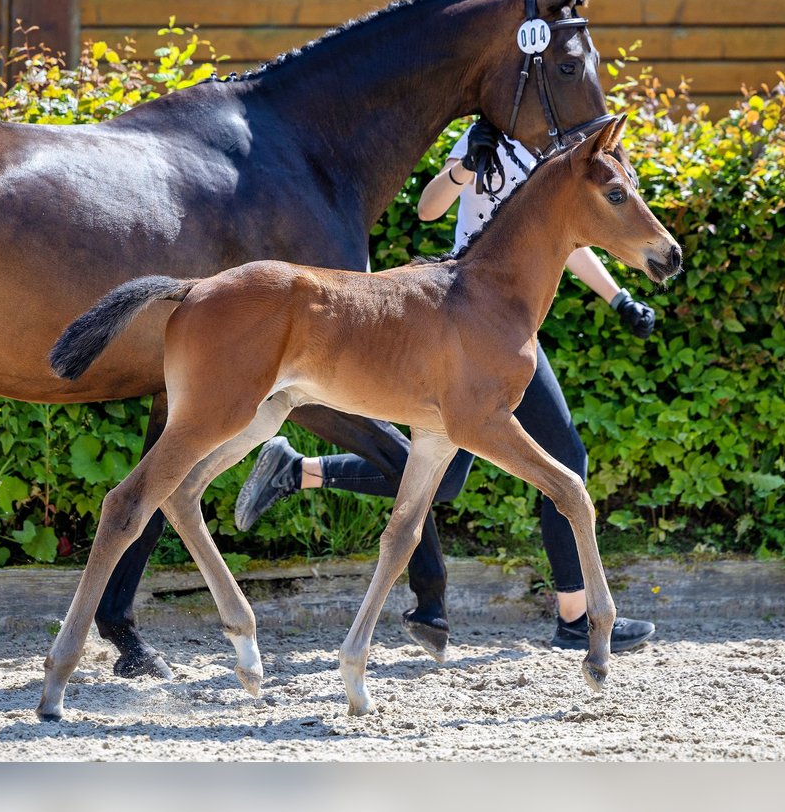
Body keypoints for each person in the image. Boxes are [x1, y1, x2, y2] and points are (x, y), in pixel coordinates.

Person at [236, 119, 657, 652]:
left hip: (510, 325)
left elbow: (574, 237)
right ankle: (558, 616)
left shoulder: (563, 161)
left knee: (542, 458)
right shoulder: (492, 138)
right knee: (470, 473)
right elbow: (429, 208)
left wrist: (617, 298)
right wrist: (463, 165)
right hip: (464, 309)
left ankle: (299, 471)